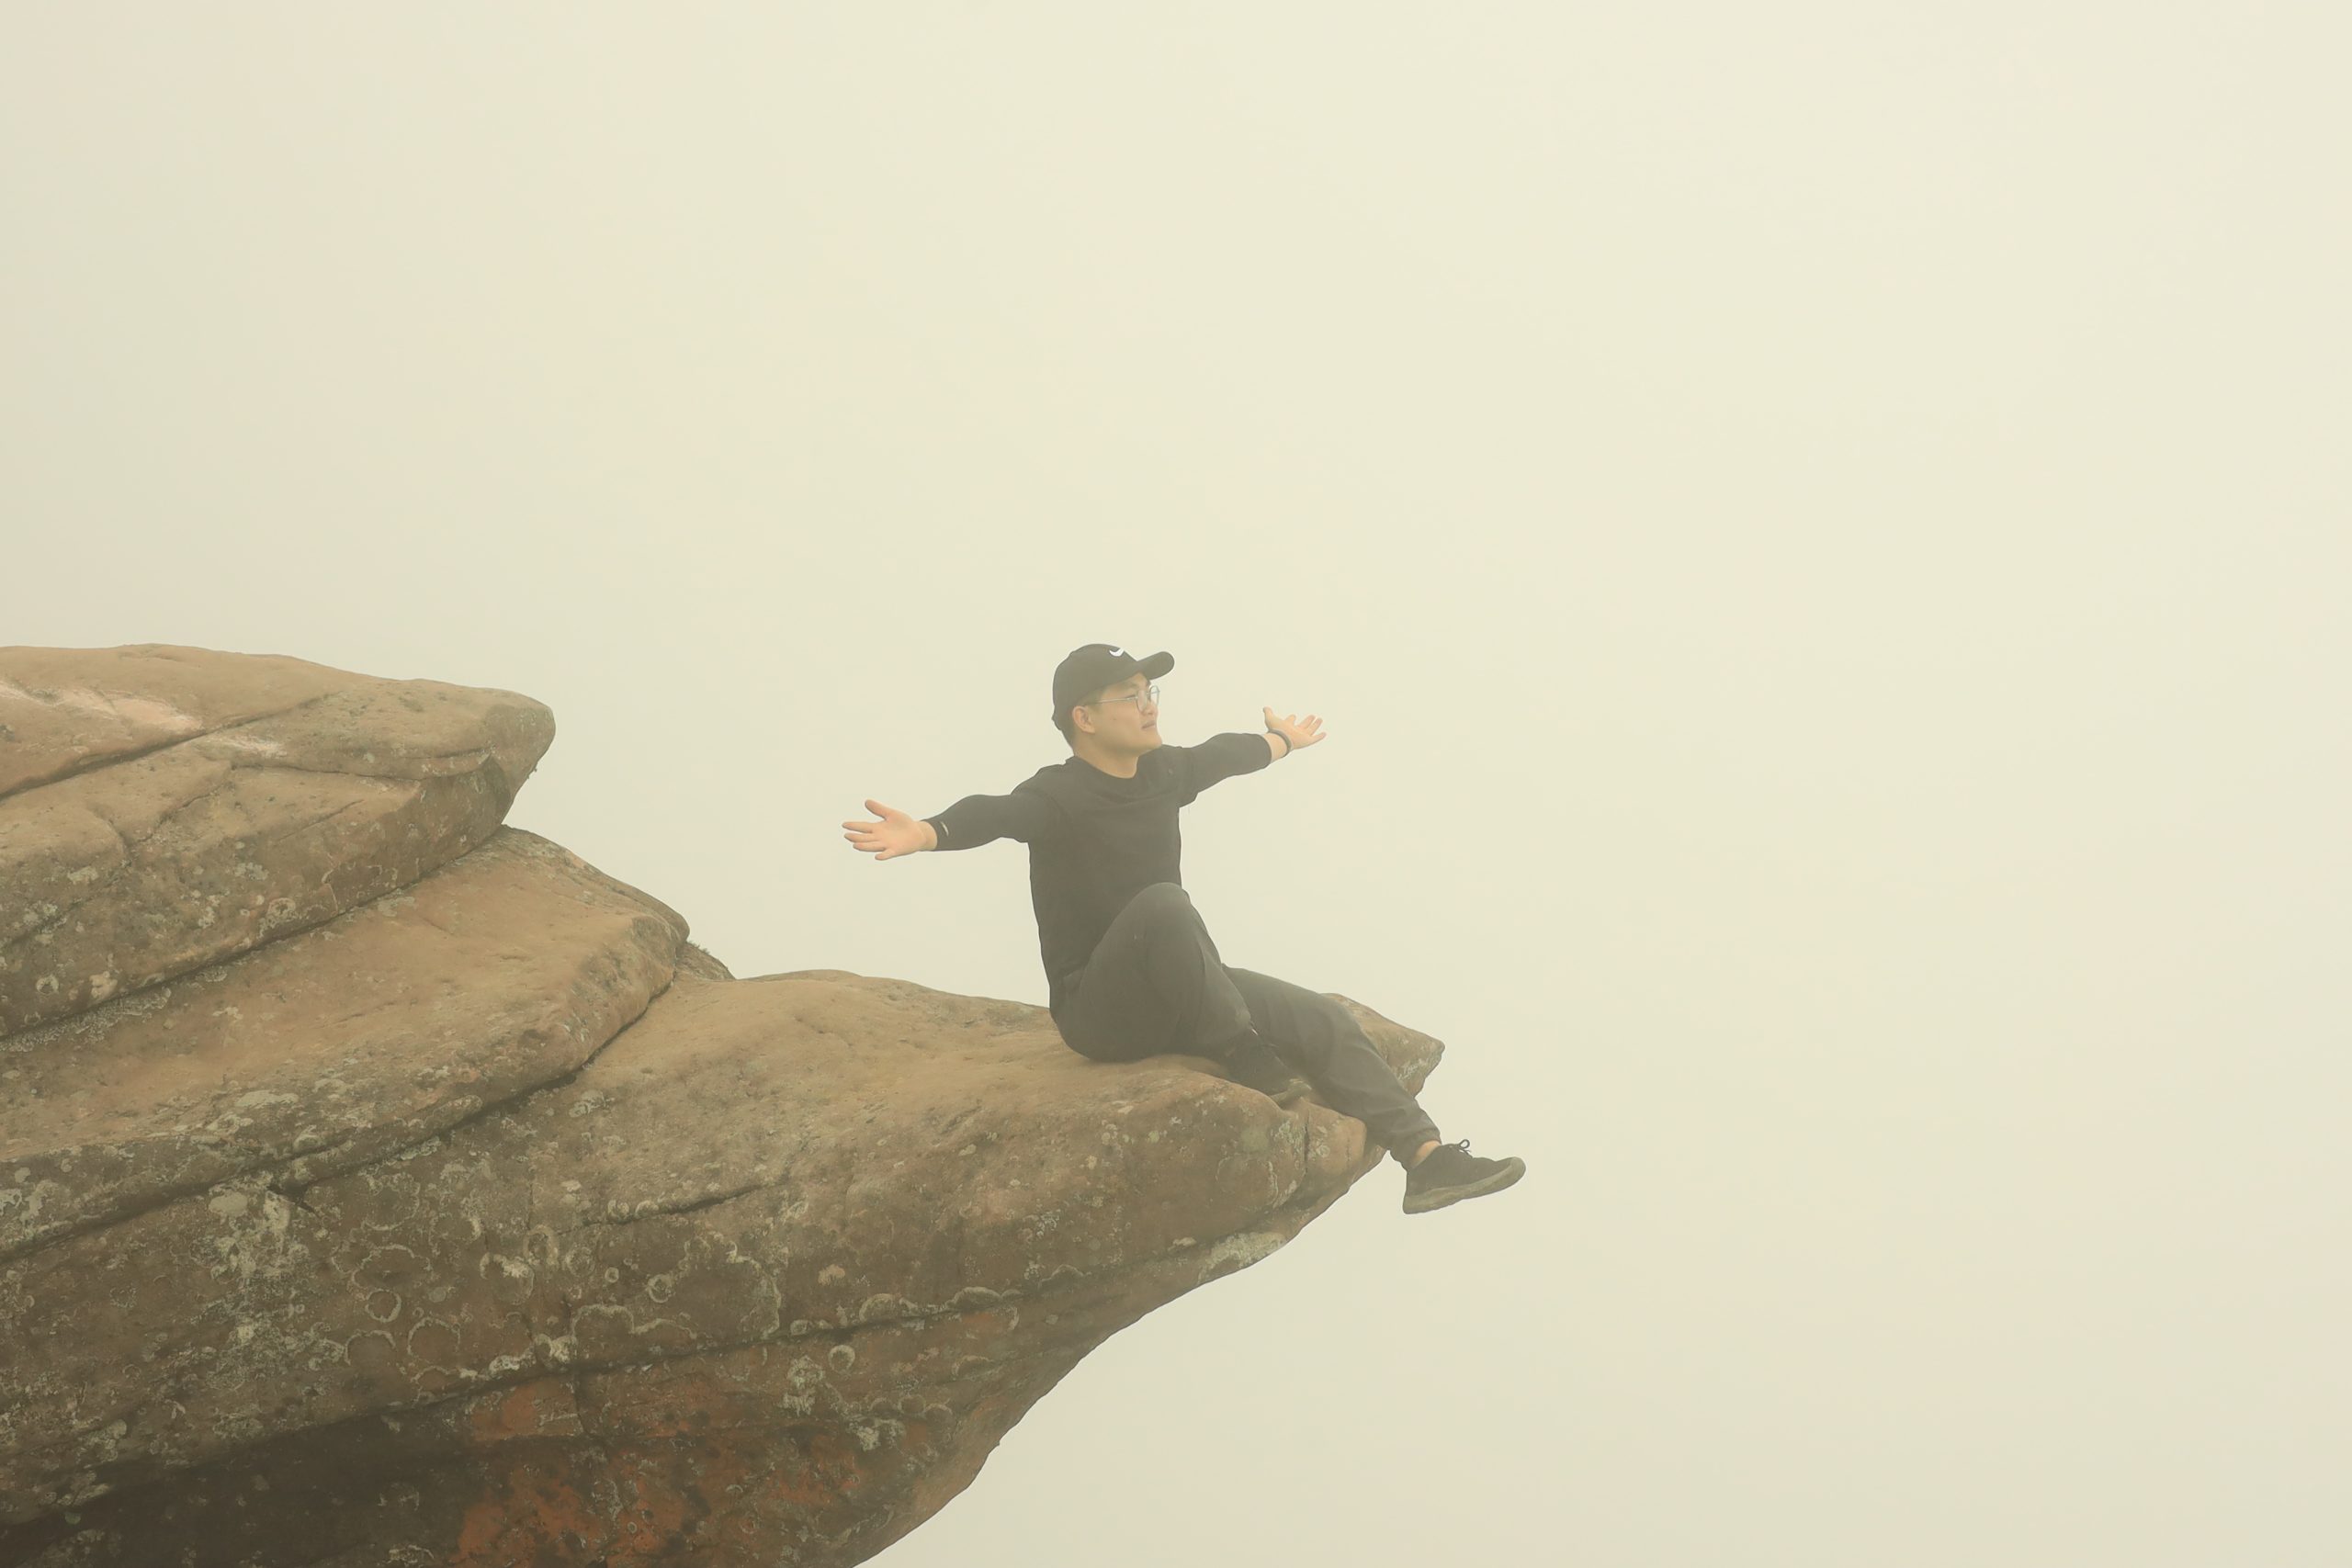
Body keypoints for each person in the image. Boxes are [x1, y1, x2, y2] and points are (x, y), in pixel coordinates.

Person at [842, 643, 1523, 1215]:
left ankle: (1427, 1159)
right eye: (1129, 694)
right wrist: (929, 831)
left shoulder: (1163, 772)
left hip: (1180, 988)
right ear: (1083, 717)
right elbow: (996, 813)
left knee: (1324, 1018)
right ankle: (1247, 1054)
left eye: (1151, 690)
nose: (1149, 705)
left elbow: (1223, 754)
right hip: (1099, 1010)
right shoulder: (1058, 794)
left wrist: (1282, 739)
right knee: (1163, 903)